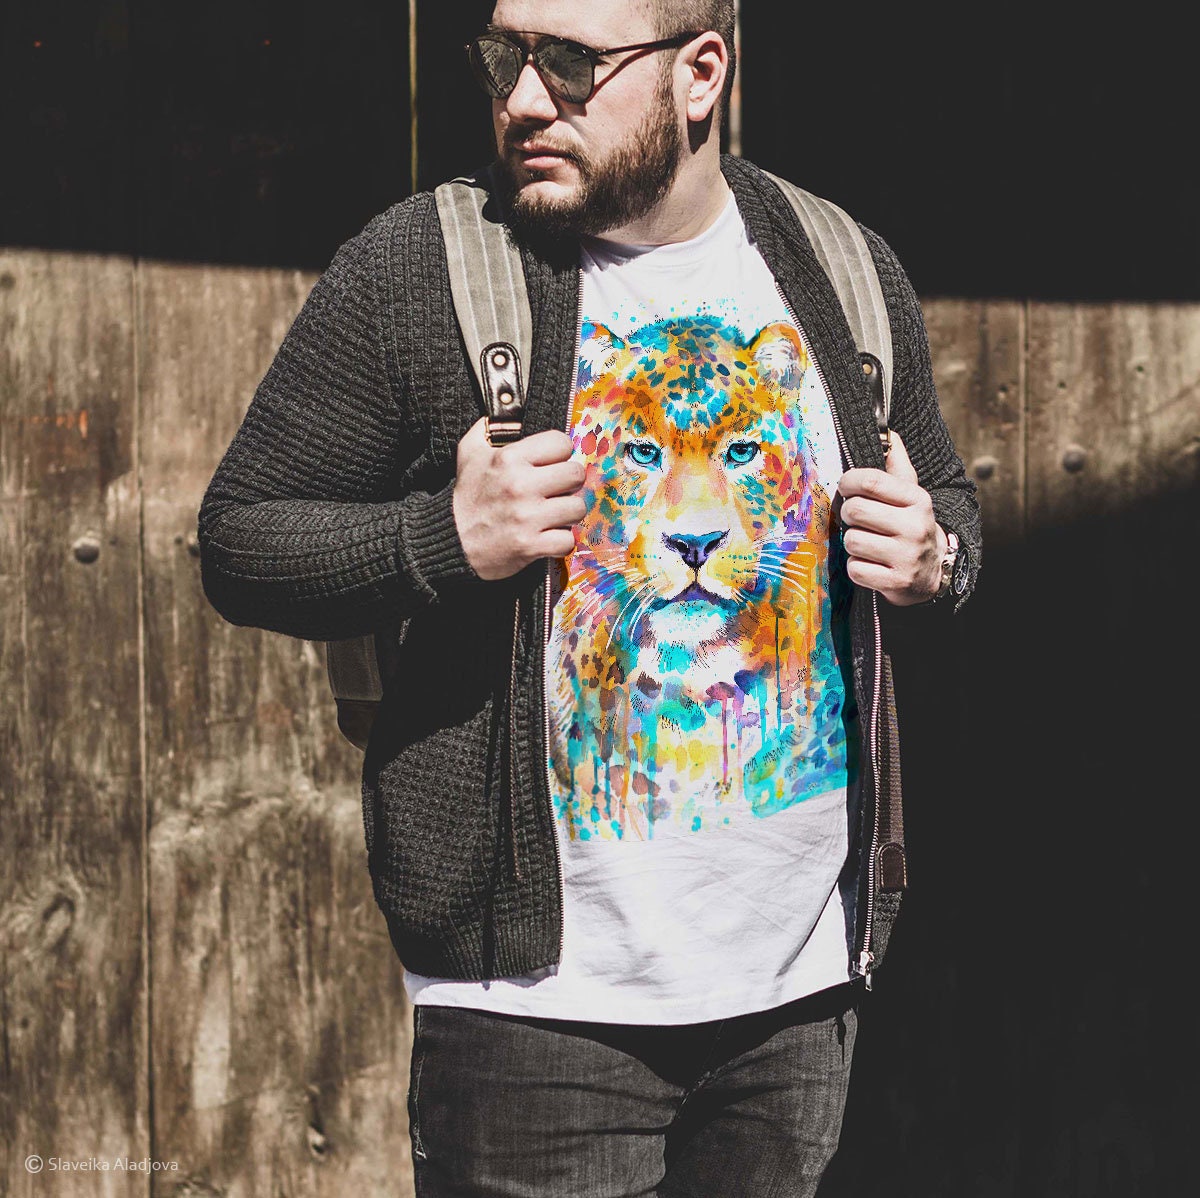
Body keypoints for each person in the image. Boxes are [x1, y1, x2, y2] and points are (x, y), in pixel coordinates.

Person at [198, 1, 982, 1194]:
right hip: (533, 1012)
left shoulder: (843, 267)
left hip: (799, 993)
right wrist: (443, 538)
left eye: (570, 64)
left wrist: (937, 558)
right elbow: (240, 540)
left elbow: (953, 511)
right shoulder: (422, 267)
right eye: (503, 56)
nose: (521, 98)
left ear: (700, 73)